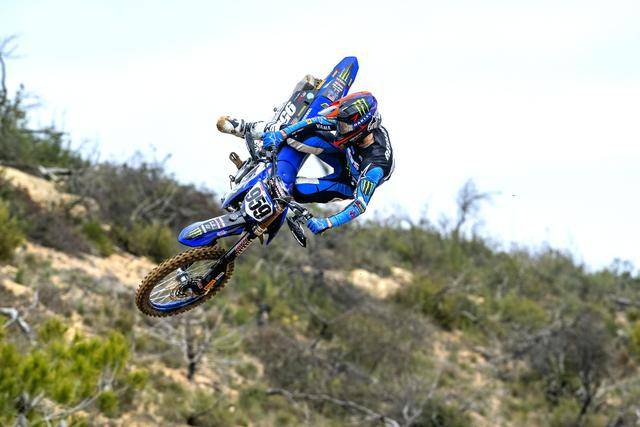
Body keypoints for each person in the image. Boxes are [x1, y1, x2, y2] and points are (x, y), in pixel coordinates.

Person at [217, 91, 394, 235]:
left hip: (348, 183)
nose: (340, 129)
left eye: (344, 127)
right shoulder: (356, 126)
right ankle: (248, 128)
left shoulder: (376, 166)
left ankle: (258, 211)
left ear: (363, 128)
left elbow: (360, 205)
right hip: (344, 154)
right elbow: (318, 122)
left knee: (290, 190)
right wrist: (281, 134)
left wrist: (327, 223)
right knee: (303, 135)